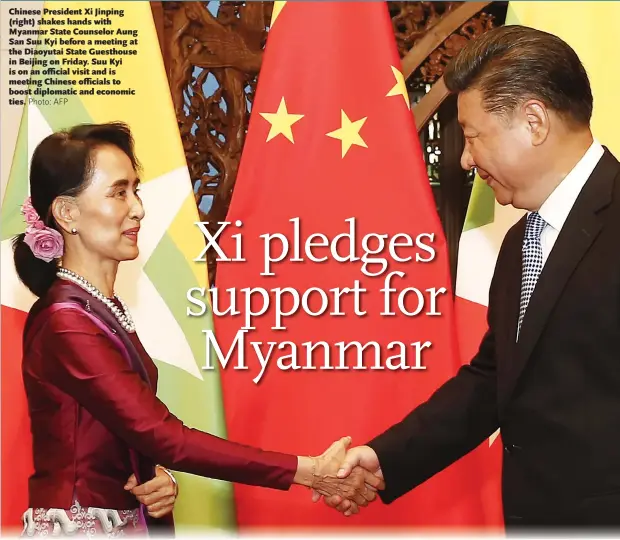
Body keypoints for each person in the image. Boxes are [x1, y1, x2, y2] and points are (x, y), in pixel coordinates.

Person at [322, 25, 620, 529]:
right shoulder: (519, 243)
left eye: (474, 135)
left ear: (533, 121)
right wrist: (385, 457)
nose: (465, 158)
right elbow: (493, 381)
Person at [13, 122, 382, 537]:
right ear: (67, 213)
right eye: (119, 192)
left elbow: (125, 435)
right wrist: (308, 470)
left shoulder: (97, 307)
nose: (137, 208)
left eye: (136, 189)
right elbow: (161, 434)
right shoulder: (67, 321)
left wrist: (159, 478)